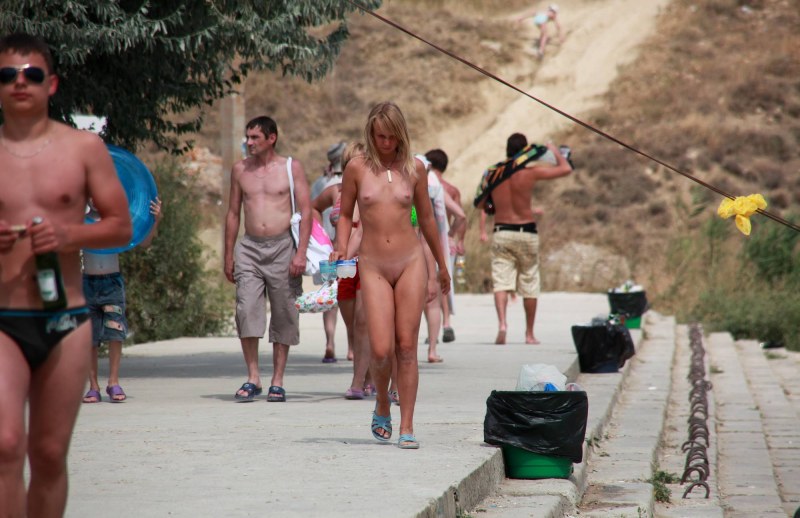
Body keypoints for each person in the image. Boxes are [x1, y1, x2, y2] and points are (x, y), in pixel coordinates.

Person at [0, 32, 132, 517]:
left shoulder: (83, 149)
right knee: (6, 443)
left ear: (51, 84)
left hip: (66, 318)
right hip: (4, 317)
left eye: (32, 74)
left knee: (50, 454)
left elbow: (121, 224)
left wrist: (67, 234)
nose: (20, 83)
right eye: (7, 75)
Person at [331, 101, 450, 449]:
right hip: (373, 264)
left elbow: (427, 219)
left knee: (407, 347)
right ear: (370, 134)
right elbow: (344, 213)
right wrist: (340, 245)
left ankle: (407, 424)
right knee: (380, 350)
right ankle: (382, 402)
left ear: (401, 136)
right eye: (379, 136)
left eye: (391, 137)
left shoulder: (415, 168)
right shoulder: (356, 168)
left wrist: (441, 266)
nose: (385, 144)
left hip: (411, 261)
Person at [224, 116, 311, 403]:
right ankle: (252, 377)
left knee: (285, 313)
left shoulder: (290, 167)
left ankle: (277, 380)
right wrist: (228, 254)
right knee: (246, 309)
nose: (248, 143)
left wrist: (301, 253)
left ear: (271, 138)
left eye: (254, 138)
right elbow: (234, 213)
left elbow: (307, 211)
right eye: (247, 137)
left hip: (283, 247)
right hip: (249, 248)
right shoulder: (240, 170)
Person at [484, 133, 571, 345]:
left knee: (501, 282)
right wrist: (552, 149)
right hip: (526, 230)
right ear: (525, 152)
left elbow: (483, 205)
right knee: (530, 282)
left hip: (502, 229)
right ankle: (529, 334)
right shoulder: (529, 173)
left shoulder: (494, 175)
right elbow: (565, 168)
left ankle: (502, 324)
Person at [81, 197, 163, 403]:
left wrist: (155, 220)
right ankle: (93, 386)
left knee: (115, 332)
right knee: (89, 338)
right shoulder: (79, 222)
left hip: (112, 284)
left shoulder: (116, 222)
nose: (96, 198)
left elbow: (144, 242)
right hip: (86, 283)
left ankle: (113, 382)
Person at [312, 141, 374, 399]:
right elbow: (313, 209)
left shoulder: (373, 192)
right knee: (352, 326)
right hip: (342, 264)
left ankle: (358, 382)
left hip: (368, 261)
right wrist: (322, 240)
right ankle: (369, 376)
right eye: (350, 163)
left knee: (363, 323)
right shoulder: (335, 191)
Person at [424, 148, 466, 344]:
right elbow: (461, 217)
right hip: (444, 240)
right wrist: (456, 238)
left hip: (424, 241)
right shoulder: (450, 189)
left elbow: (415, 218)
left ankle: (431, 333)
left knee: (429, 285)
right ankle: (446, 323)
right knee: (444, 282)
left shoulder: (419, 185)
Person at [312, 142, 346, 364]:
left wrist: (322, 238)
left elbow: (310, 207)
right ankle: (353, 349)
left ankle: (330, 342)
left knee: (329, 298)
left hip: (328, 249)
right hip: (349, 250)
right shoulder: (354, 184)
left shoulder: (321, 183)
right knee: (352, 298)